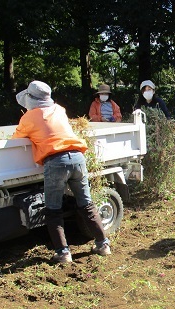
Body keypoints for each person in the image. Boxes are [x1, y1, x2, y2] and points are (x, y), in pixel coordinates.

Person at [12, 80, 112, 264]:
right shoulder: (59, 110)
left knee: (53, 210)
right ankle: (103, 244)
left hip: (55, 161)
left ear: (30, 100)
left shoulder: (29, 117)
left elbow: (16, 138)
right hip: (77, 157)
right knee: (86, 204)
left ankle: (63, 252)